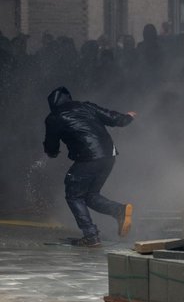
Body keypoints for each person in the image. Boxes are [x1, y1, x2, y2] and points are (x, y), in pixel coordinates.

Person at [43, 86, 136, 247]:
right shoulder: (85, 106)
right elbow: (113, 118)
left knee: (73, 194)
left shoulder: (54, 117)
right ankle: (119, 211)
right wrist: (127, 117)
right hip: (109, 155)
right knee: (89, 195)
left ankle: (91, 236)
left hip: (89, 158)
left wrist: (52, 152)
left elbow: (51, 146)